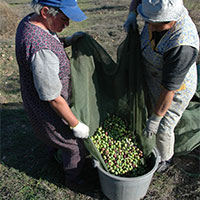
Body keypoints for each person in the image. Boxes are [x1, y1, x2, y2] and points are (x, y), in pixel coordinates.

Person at [15, 0, 95, 191]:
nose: (67, 24)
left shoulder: (29, 22)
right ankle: (73, 179)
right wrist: (76, 125)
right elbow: (52, 97)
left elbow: (48, 38)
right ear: (45, 12)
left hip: (35, 97)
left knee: (55, 139)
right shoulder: (40, 49)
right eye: (64, 19)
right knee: (74, 145)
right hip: (47, 108)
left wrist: (66, 41)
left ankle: (54, 151)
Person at [124, 0, 199, 172]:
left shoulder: (182, 45)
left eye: (159, 24)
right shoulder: (154, 4)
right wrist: (132, 14)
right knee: (151, 107)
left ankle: (165, 159)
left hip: (176, 89)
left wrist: (156, 119)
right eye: (150, 22)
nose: (152, 27)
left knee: (164, 126)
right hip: (155, 76)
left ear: (173, 18)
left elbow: (169, 89)